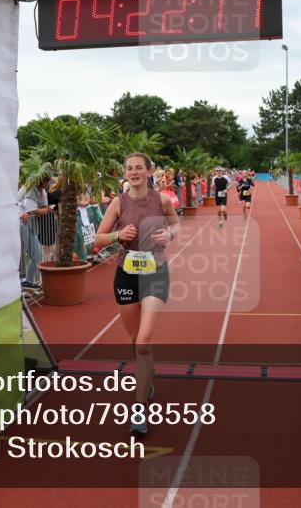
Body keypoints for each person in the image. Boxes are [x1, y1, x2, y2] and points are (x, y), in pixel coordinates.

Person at [94, 152, 179, 435]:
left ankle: (139, 409)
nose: (134, 172)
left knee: (143, 341)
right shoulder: (118, 202)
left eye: (139, 168)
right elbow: (97, 240)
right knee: (135, 340)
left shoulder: (162, 200)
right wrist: (118, 236)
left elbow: (175, 224)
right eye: (129, 168)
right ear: (125, 173)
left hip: (155, 271)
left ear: (148, 171)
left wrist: (170, 235)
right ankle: (146, 377)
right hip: (127, 273)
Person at [18, 177, 53, 287]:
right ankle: (21, 282)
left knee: (36, 256)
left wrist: (44, 210)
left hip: (31, 223)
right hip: (22, 223)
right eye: (48, 181)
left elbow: (43, 208)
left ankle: (29, 281)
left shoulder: (42, 191)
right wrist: (46, 210)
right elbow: (32, 210)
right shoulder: (30, 189)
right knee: (22, 253)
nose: (49, 184)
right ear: (43, 181)